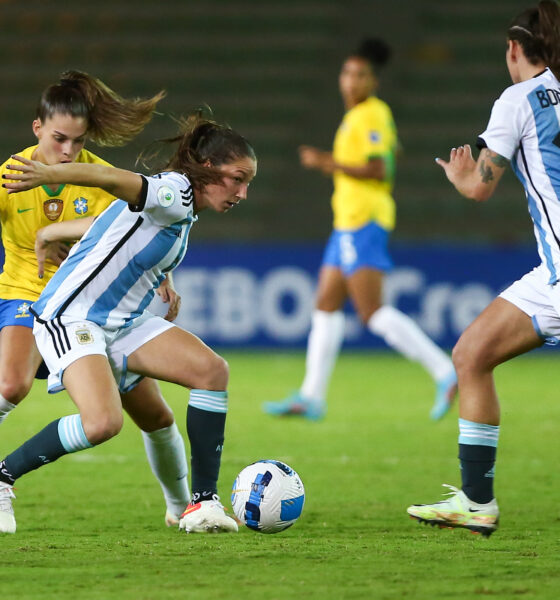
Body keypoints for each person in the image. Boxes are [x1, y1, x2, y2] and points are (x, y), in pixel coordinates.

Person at [0, 113, 257, 534]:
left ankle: (202, 502)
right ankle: (2, 476)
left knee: (211, 372)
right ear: (209, 169)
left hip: (121, 322)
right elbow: (114, 180)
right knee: (103, 423)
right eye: (238, 179)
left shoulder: (183, 206)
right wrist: (49, 172)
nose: (243, 192)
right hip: (73, 315)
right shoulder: (173, 191)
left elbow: (111, 222)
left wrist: (54, 233)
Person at [0, 71, 190, 531]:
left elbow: (129, 233)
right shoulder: (10, 175)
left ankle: (184, 506)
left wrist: (161, 275)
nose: (68, 151)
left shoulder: (99, 176)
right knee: (11, 385)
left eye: (77, 142)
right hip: (27, 296)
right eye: (59, 139)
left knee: (155, 414)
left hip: (88, 309)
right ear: (37, 128)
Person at [406, 0, 560, 537]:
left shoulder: (517, 100)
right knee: (471, 353)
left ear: (513, 49)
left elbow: (479, 188)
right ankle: (476, 501)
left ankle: (477, 501)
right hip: (551, 278)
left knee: (470, 357)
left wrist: (460, 174)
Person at [263, 38, 456, 421]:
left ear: (373, 82)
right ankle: (310, 396)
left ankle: (446, 371)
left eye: (361, 75)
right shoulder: (361, 117)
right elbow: (391, 153)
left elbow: (379, 169)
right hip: (346, 224)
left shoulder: (371, 113)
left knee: (373, 313)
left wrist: (326, 162)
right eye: (348, 73)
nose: (352, 80)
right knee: (325, 305)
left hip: (364, 220)